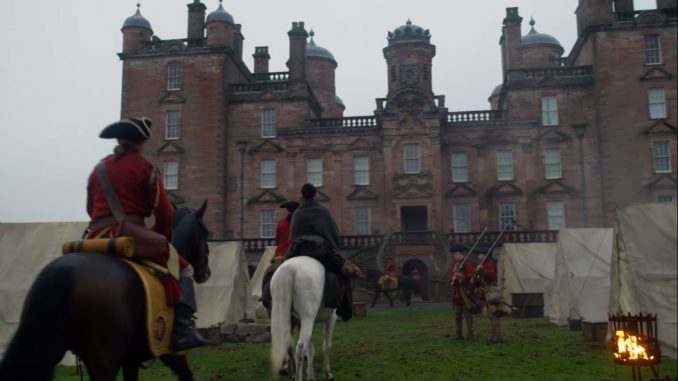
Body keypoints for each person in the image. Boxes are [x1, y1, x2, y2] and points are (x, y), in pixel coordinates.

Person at [85, 117, 206, 351]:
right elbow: (164, 214)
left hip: (95, 238)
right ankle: (182, 330)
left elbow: (90, 209)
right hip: (132, 237)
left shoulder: (98, 169)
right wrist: (158, 237)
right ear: (140, 142)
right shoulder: (145, 167)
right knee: (186, 269)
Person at [288, 183, 361, 321]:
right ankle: (344, 310)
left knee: (278, 268)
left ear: (302, 195)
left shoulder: (297, 213)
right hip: (319, 251)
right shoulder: (323, 211)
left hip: (299, 250)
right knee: (343, 272)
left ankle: (270, 298)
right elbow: (333, 233)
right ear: (315, 194)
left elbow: (292, 237)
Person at [475, 246, 504, 343]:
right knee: (491, 315)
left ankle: (497, 337)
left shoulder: (489, 264)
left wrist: (481, 269)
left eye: (480, 254)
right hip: (487, 290)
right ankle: (495, 336)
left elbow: (491, 276)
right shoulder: (484, 264)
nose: (478, 256)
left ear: (484, 255)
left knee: (493, 315)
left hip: (491, 291)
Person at [448, 244, 475, 340]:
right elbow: (451, 276)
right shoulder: (456, 265)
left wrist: (461, 275)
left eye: (456, 254)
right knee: (457, 315)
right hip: (457, 293)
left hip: (465, 292)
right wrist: (453, 278)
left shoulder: (467, 263)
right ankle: (458, 334)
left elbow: (471, 275)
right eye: (454, 254)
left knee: (467, 314)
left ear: (461, 254)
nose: (455, 256)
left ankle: (470, 334)